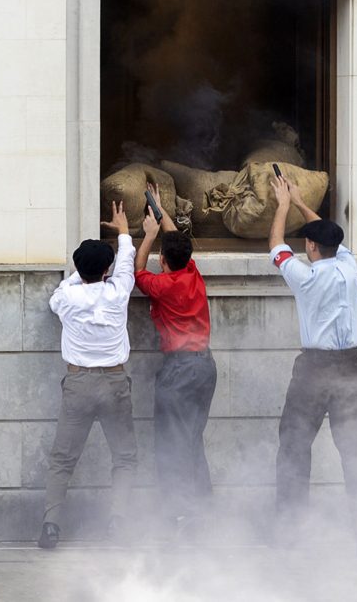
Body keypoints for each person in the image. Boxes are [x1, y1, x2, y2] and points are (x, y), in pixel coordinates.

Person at [267, 174, 357, 557]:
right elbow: (332, 240)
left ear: (310, 247)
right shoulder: (349, 265)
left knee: (294, 448)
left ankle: (290, 533)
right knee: (355, 454)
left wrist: (283, 204)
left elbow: (277, 247)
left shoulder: (306, 277)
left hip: (315, 369)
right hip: (352, 367)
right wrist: (301, 204)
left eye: (308, 243)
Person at [38, 201, 138, 549]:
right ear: (107, 269)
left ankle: (51, 524)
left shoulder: (66, 297)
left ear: (78, 269)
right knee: (124, 457)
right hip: (114, 382)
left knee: (63, 459)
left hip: (78, 383)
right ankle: (119, 522)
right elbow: (126, 264)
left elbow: (58, 297)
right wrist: (124, 231)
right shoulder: (118, 292)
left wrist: (82, 273)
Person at [133, 184, 217, 538]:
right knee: (192, 438)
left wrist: (148, 236)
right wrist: (160, 209)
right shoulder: (192, 273)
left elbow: (138, 272)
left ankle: (180, 516)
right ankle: (202, 509)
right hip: (205, 367)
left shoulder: (164, 285)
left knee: (171, 443)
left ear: (164, 261)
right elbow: (176, 240)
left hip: (179, 370)